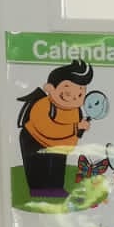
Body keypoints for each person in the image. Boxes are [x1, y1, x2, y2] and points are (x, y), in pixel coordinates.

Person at [18, 60, 93, 199]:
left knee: (58, 166)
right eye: (67, 94)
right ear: (50, 88)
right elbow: (47, 129)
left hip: (59, 145)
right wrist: (75, 127)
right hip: (34, 139)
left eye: (79, 95)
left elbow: (73, 135)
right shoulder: (42, 105)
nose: (74, 98)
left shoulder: (75, 111)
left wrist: (79, 131)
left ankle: (57, 189)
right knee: (38, 166)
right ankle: (37, 191)